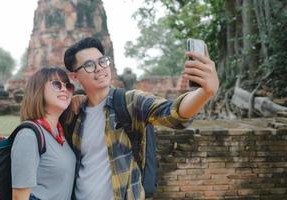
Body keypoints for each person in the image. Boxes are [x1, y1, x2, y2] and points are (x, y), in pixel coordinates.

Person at [63, 37, 219, 200]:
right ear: (75, 77)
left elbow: (173, 113)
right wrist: (74, 98)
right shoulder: (74, 113)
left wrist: (205, 92)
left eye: (102, 61)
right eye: (89, 65)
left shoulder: (129, 102)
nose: (99, 68)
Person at [11, 67, 76, 200]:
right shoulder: (29, 135)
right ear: (38, 90)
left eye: (67, 86)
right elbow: (19, 197)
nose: (64, 89)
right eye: (56, 84)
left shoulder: (60, 133)